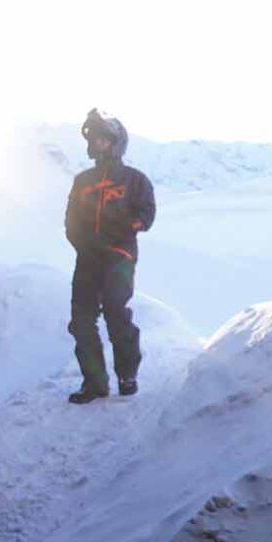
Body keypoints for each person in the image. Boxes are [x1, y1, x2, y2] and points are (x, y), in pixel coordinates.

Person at [65, 107, 157, 403]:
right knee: (81, 321)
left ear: (115, 142)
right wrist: (81, 242)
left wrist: (127, 228)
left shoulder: (135, 180)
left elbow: (147, 213)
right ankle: (94, 383)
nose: (95, 145)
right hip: (88, 258)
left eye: (101, 139)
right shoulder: (82, 181)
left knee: (116, 313)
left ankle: (127, 374)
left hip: (119, 256)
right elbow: (71, 220)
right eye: (92, 139)